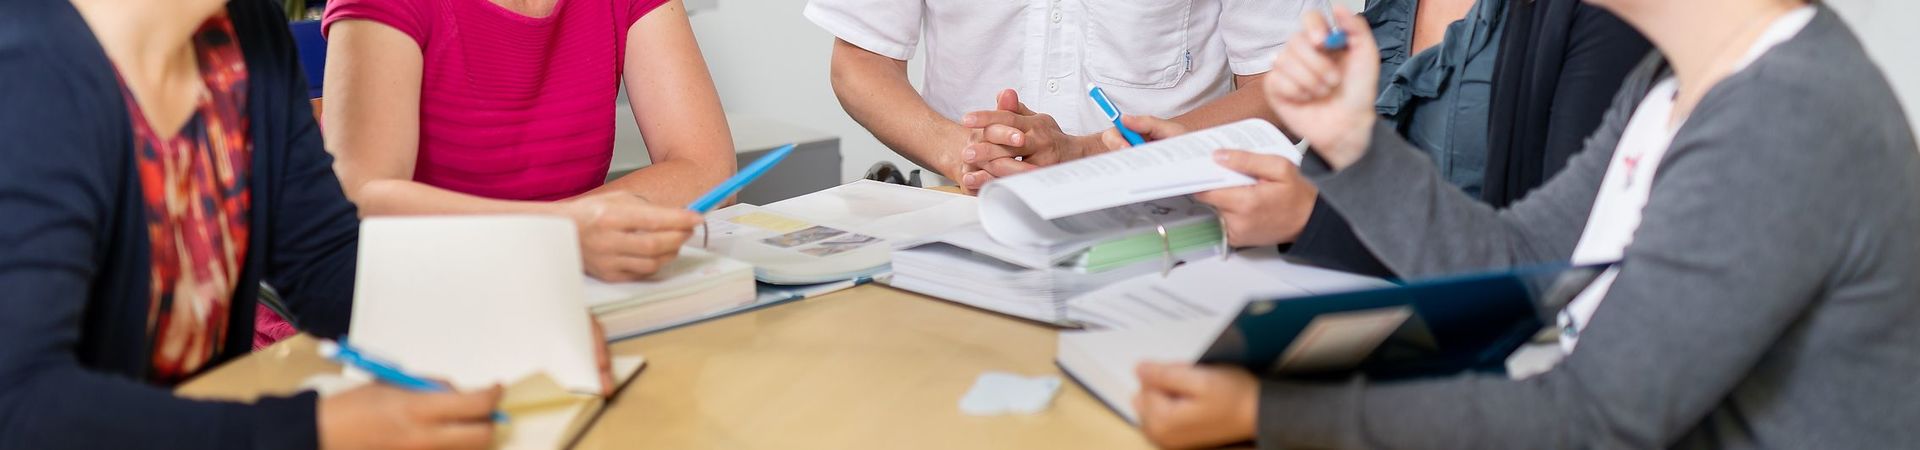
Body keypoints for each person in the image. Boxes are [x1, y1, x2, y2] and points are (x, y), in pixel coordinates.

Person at [1132, 1, 1920, 448]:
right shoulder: (1672, 82)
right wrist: (1354, 145)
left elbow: (1599, 419)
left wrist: (1270, 414)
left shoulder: (1787, 113)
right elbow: (1521, 265)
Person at [0, 0, 591, 448]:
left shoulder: (246, 32)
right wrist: (317, 428)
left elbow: (326, 266)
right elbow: (21, 405)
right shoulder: (26, 67)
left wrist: (505, 320)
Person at [321, 0, 724, 282]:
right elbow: (360, 199)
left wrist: (566, 236)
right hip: (401, 302)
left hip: (561, 292)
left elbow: (707, 169)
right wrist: (556, 233)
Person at [806, 0, 1318, 191]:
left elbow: (1285, 89)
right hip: (965, 210)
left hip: (1173, 218)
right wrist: (961, 153)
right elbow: (860, 60)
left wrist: (1090, 153)